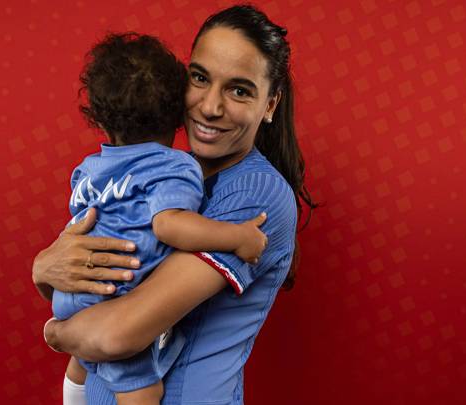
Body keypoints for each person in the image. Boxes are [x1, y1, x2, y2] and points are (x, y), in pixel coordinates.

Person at [32, 5, 317, 404]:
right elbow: (104, 284)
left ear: (269, 104)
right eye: (200, 78)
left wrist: (56, 333)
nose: (211, 106)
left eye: (239, 90)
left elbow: (118, 334)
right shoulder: (166, 175)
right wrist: (44, 267)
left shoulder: (255, 193)